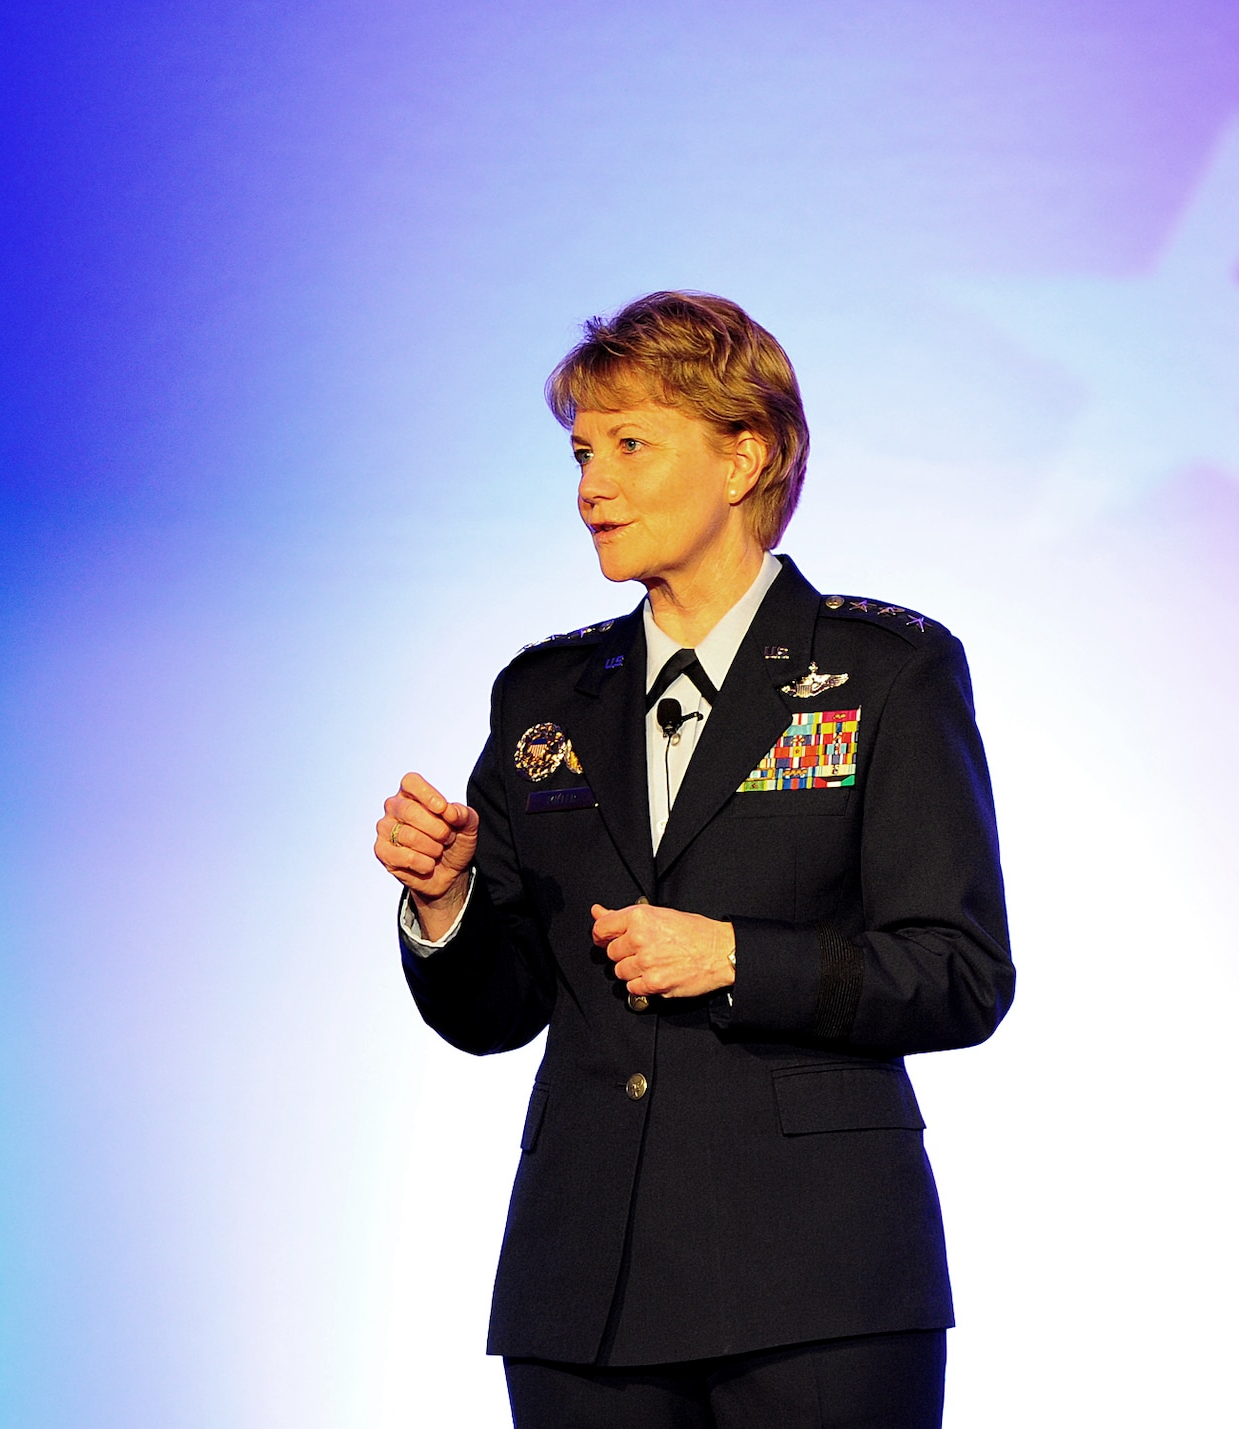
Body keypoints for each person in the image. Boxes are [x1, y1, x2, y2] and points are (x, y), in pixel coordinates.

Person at [372, 291, 1014, 1429]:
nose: (590, 487)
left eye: (630, 445)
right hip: (585, 1290)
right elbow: (494, 1010)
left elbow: (957, 972)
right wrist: (446, 899)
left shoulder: (885, 672)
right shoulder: (543, 696)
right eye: (579, 451)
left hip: (819, 1282)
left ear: (743, 457)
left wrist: (731, 957)